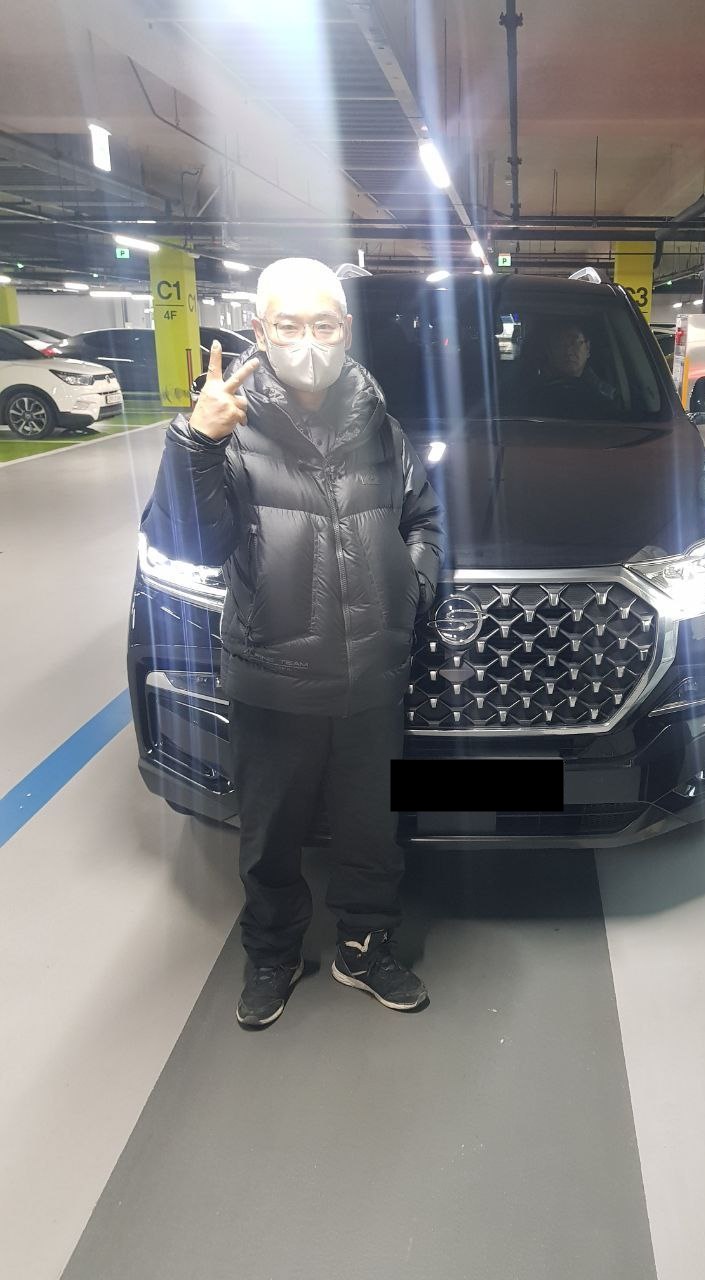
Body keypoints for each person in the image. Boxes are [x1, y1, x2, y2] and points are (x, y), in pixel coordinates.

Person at [142, 258, 445, 1029]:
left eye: (323, 324)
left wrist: (410, 588)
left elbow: (423, 520)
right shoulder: (229, 427)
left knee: (372, 835)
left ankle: (365, 949)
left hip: (373, 677)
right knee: (271, 838)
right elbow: (188, 543)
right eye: (289, 325)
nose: (308, 341)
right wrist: (194, 442)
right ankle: (272, 955)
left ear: (346, 330)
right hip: (273, 677)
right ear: (260, 330)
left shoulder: (380, 424)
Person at [526, 317, 620, 418]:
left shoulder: (606, 393)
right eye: (560, 344)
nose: (568, 351)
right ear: (550, 351)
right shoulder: (531, 394)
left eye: (574, 342)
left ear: (588, 348)